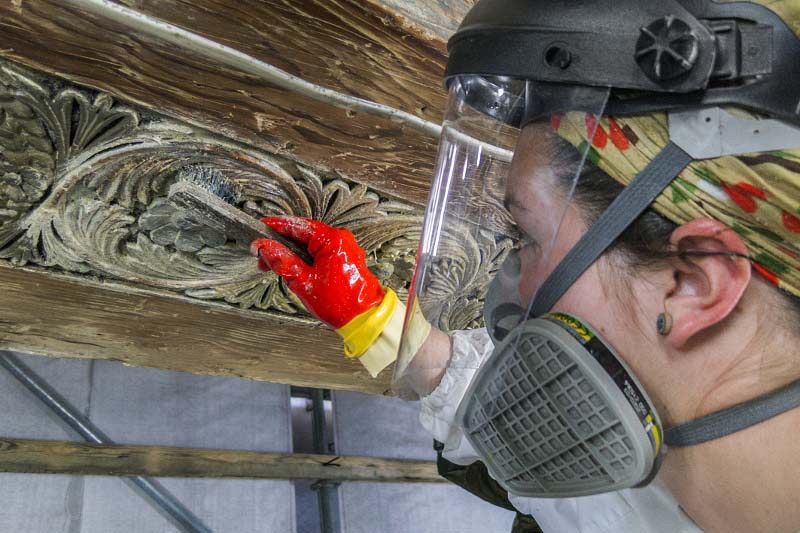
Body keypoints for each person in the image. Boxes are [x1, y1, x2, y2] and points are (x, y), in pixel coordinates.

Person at [251, 1, 800, 531]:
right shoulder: (651, 488)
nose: (508, 284)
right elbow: (541, 440)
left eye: (526, 237)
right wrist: (374, 322)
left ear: (691, 285)